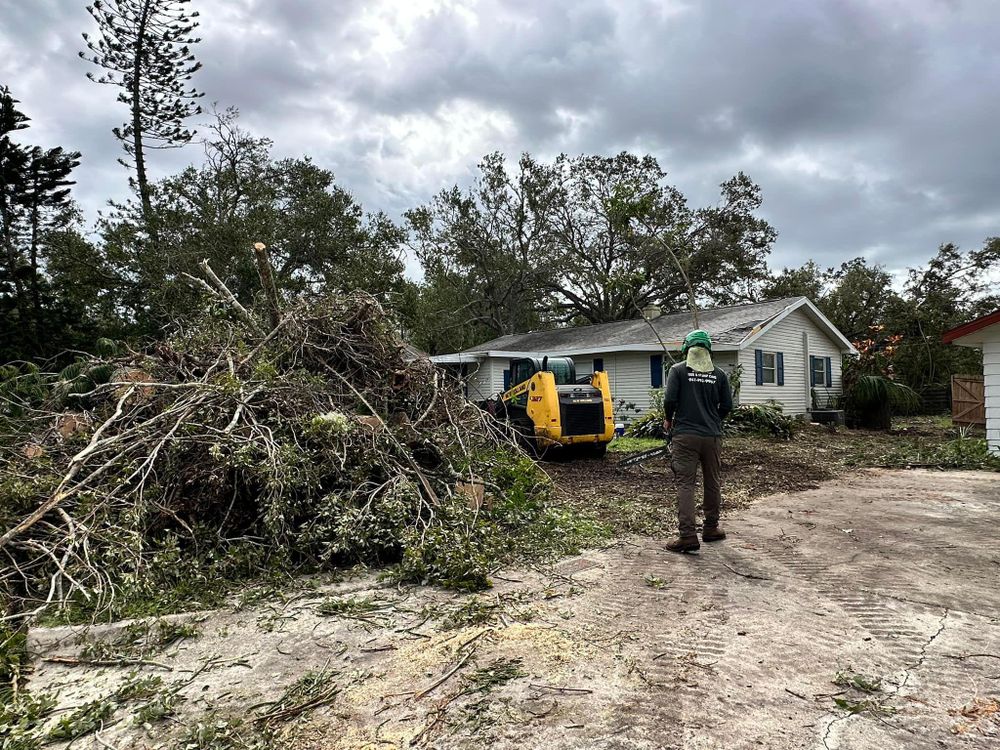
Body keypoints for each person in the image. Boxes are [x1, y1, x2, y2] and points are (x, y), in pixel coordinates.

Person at [662, 329, 733, 553]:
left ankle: (688, 536)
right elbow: (727, 406)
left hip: (685, 436)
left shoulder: (678, 370)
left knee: (686, 484)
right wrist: (713, 420)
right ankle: (711, 528)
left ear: (687, 349)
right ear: (708, 349)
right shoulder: (720, 375)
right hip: (712, 436)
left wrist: (668, 420)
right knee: (712, 481)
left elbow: (670, 399)